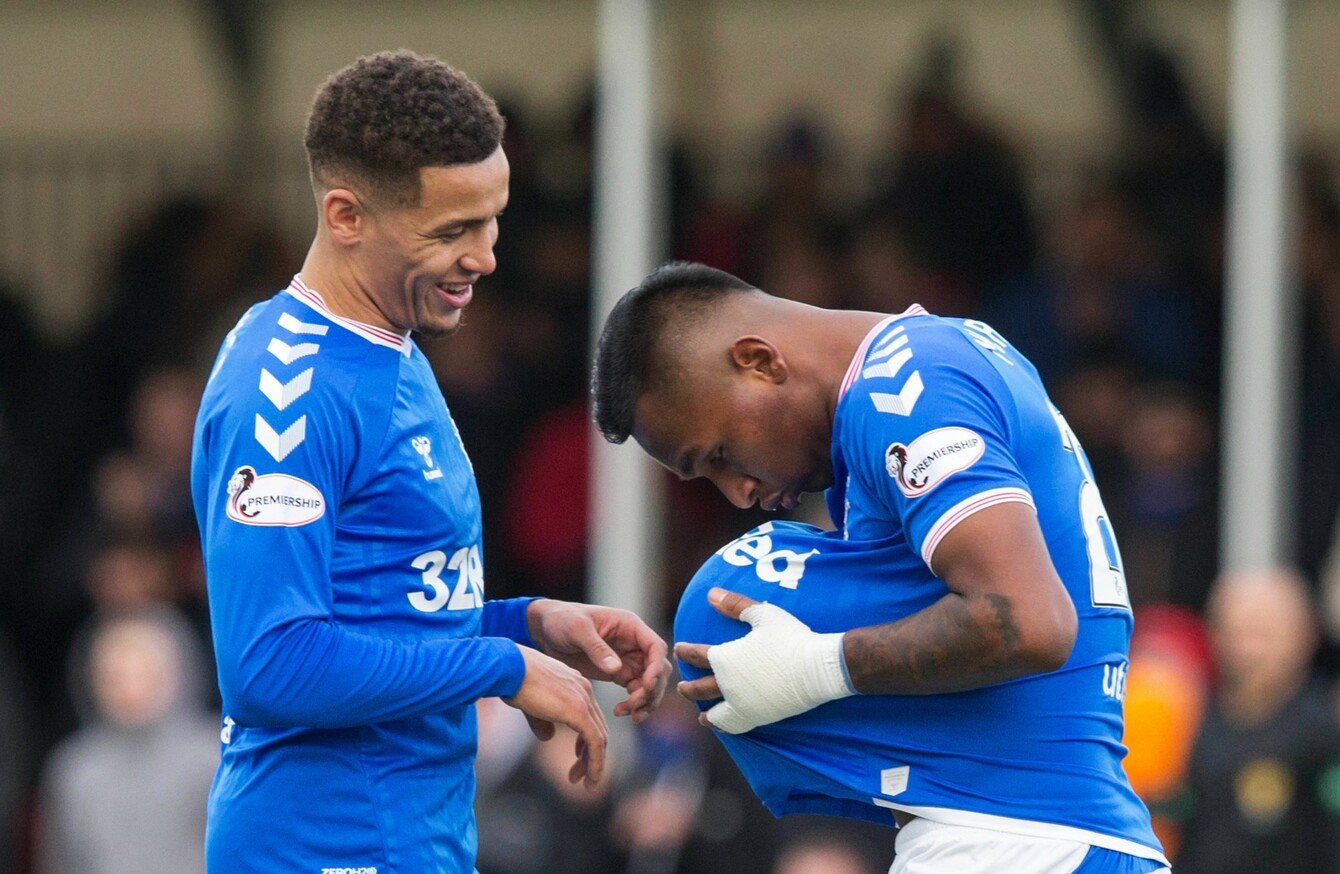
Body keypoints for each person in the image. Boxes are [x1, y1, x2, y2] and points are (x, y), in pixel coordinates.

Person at [191, 50, 671, 873]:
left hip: (407, 842)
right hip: (322, 847)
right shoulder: (290, 389)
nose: (485, 256)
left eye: (492, 220)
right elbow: (270, 662)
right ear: (346, 215)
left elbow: (379, 619)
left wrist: (525, 625)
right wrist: (500, 665)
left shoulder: (389, 345)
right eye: (452, 231)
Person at [590, 261, 1169, 872]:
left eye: (720, 454)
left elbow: (1030, 622)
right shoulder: (931, 358)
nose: (738, 492)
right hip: (1053, 836)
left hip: (1016, 843)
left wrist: (819, 667)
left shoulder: (904, 389)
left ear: (759, 361)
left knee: (728, 597)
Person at [1172, 567, 1340, 873]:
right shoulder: (1192, 721)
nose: (1247, 650)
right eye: (1234, 632)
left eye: (1261, 634)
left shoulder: (1324, 733)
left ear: (1304, 635)